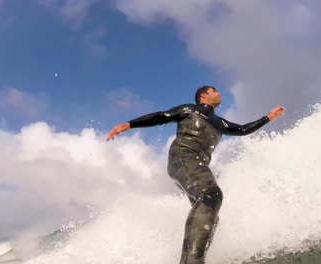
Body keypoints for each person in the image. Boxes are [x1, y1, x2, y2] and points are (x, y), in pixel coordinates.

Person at [107, 86, 284, 264]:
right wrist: (128, 124)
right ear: (203, 96)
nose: (219, 93)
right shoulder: (190, 110)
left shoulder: (219, 122)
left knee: (211, 213)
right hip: (183, 157)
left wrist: (267, 118)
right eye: (214, 91)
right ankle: (193, 260)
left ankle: (191, 259)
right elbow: (161, 116)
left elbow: (242, 129)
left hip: (196, 165)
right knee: (211, 194)